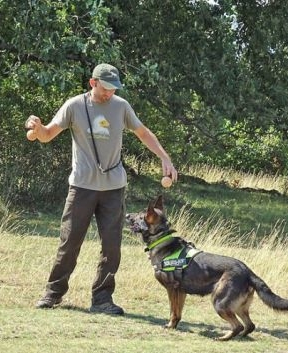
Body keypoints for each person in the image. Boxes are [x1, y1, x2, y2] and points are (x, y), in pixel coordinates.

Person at [26, 63, 178, 315]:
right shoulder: (74, 105)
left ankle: (102, 299)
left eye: (113, 89)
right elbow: (47, 134)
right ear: (92, 83)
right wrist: (38, 128)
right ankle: (53, 294)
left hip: (113, 189)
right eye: (105, 88)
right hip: (82, 187)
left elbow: (142, 132)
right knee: (69, 242)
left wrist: (165, 158)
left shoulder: (121, 106)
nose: (110, 93)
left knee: (111, 246)